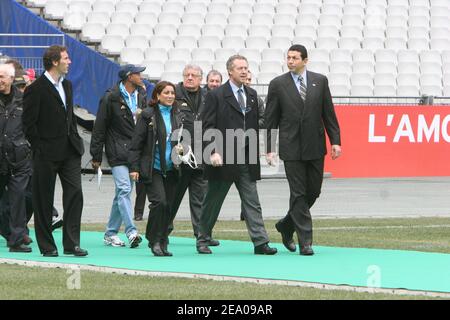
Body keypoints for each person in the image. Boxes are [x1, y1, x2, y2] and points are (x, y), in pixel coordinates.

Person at [196, 55, 277, 255]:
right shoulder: (216, 95)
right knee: (213, 201)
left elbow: (259, 124)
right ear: (230, 71)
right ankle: (203, 239)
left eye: (246, 68)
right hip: (222, 158)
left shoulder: (251, 95)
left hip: (246, 157)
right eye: (240, 68)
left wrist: (267, 149)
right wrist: (212, 151)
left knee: (252, 201)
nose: (244, 71)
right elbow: (207, 126)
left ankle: (260, 242)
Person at [265, 44, 342, 256]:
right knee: (298, 194)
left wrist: (335, 140)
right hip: (291, 148)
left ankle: (286, 225)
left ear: (305, 60)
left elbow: (329, 113)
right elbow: (270, 119)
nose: (290, 61)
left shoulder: (320, 80)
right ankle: (305, 241)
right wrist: (270, 148)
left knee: (313, 191)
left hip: (315, 146)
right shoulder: (278, 84)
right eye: (288, 57)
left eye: (295, 58)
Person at [22, 45, 87, 257]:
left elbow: (67, 116)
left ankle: (71, 244)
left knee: (75, 195)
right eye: (66, 58)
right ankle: (48, 246)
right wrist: (40, 148)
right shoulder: (35, 89)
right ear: (55, 62)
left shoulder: (67, 85)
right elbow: (28, 125)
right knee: (43, 200)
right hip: (46, 153)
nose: (69, 62)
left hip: (70, 151)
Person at [90, 64, 146, 248]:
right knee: (124, 189)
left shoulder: (141, 96)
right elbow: (99, 127)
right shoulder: (110, 97)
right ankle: (131, 231)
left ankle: (110, 233)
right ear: (129, 77)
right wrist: (96, 154)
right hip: (117, 150)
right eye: (138, 73)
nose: (141, 76)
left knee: (121, 194)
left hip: (135, 151)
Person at [128, 81, 184, 256]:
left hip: (172, 167)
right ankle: (154, 239)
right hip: (153, 167)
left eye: (172, 93)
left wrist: (182, 148)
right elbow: (136, 143)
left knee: (168, 206)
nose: (170, 96)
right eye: (166, 93)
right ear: (157, 95)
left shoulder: (177, 115)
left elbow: (180, 139)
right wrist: (134, 167)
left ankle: (162, 239)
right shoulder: (148, 115)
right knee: (159, 202)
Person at [170, 64, 219, 246]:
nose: (190, 78)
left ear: (201, 79)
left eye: (194, 75)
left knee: (201, 198)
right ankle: (163, 230)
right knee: (173, 197)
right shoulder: (173, 93)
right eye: (187, 75)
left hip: (201, 154)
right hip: (180, 154)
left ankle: (201, 233)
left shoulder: (208, 96)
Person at [0, 63, 32, 253]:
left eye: (3, 77)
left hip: (19, 159)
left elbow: (32, 127)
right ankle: (9, 232)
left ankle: (17, 240)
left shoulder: (24, 101)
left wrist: (26, 146)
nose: (0, 80)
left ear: (12, 79)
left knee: (19, 199)